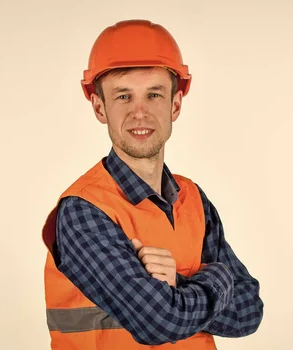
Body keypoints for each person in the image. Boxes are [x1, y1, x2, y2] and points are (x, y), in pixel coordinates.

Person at [41, 19, 264, 349]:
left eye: (154, 94)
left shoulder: (194, 201)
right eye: (124, 96)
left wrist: (177, 285)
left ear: (175, 104)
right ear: (100, 107)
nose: (140, 113)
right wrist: (217, 279)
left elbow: (249, 312)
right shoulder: (82, 210)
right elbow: (157, 322)